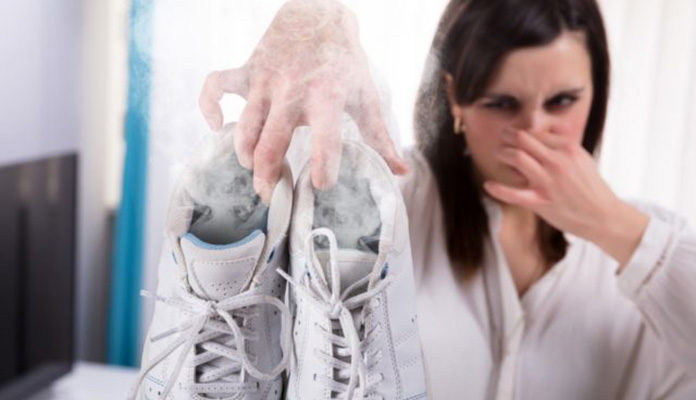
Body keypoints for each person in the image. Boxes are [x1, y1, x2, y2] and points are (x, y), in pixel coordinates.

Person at [198, 0, 696, 398]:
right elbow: (283, 186)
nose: (534, 131)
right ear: (455, 97)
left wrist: (615, 227)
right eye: (502, 104)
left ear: (597, 93)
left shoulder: (652, 246)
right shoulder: (389, 201)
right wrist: (317, 20)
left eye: (563, 101)